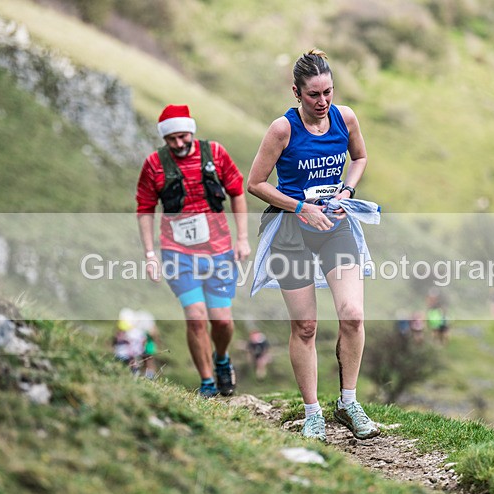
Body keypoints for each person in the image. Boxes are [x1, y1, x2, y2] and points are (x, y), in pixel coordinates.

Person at [247, 49, 380, 441]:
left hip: (336, 226)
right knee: (305, 326)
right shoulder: (281, 130)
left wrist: (347, 189)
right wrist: (301, 207)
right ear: (296, 92)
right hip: (291, 232)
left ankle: (348, 403)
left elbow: (360, 157)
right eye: (313, 95)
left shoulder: (346, 118)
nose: (323, 102)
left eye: (328, 92)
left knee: (353, 315)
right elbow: (255, 184)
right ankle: (312, 413)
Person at [136, 104, 250, 397]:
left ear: (191, 131)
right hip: (178, 254)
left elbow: (237, 193)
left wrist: (242, 239)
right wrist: (150, 255)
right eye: (171, 139)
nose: (178, 144)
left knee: (222, 321)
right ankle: (207, 382)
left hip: (220, 250)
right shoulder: (153, 164)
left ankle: (221, 358)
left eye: (183, 136)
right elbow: (144, 210)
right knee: (196, 316)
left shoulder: (215, 153)